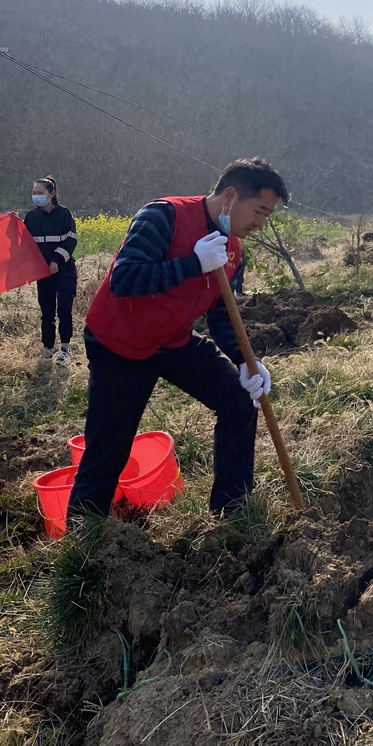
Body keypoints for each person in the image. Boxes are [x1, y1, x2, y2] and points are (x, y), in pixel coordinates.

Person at [67, 157, 289, 519]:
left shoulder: (233, 250)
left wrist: (245, 361)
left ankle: (232, 511)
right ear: (230, 196)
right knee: (109, 446)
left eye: (267, 216)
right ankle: (85, 530)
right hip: (119, 345)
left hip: (173, 342)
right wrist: (192, 264)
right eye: (259, 211)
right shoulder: (163, 216)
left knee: (239, 401)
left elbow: (222, 313)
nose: (260, 223)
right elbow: (125, 279)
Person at [23, 176, 77, 366]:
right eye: (34, 193)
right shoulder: (31, 217)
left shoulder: (64, 214)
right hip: (43, 273)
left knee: (64, 311)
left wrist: (56, 261)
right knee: (46, 312)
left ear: (52, 194)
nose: (36, 196)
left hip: (64, 271)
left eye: (40, 193)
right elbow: (23, 242)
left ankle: (64, 350)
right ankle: (47, 350)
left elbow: (71, 240)